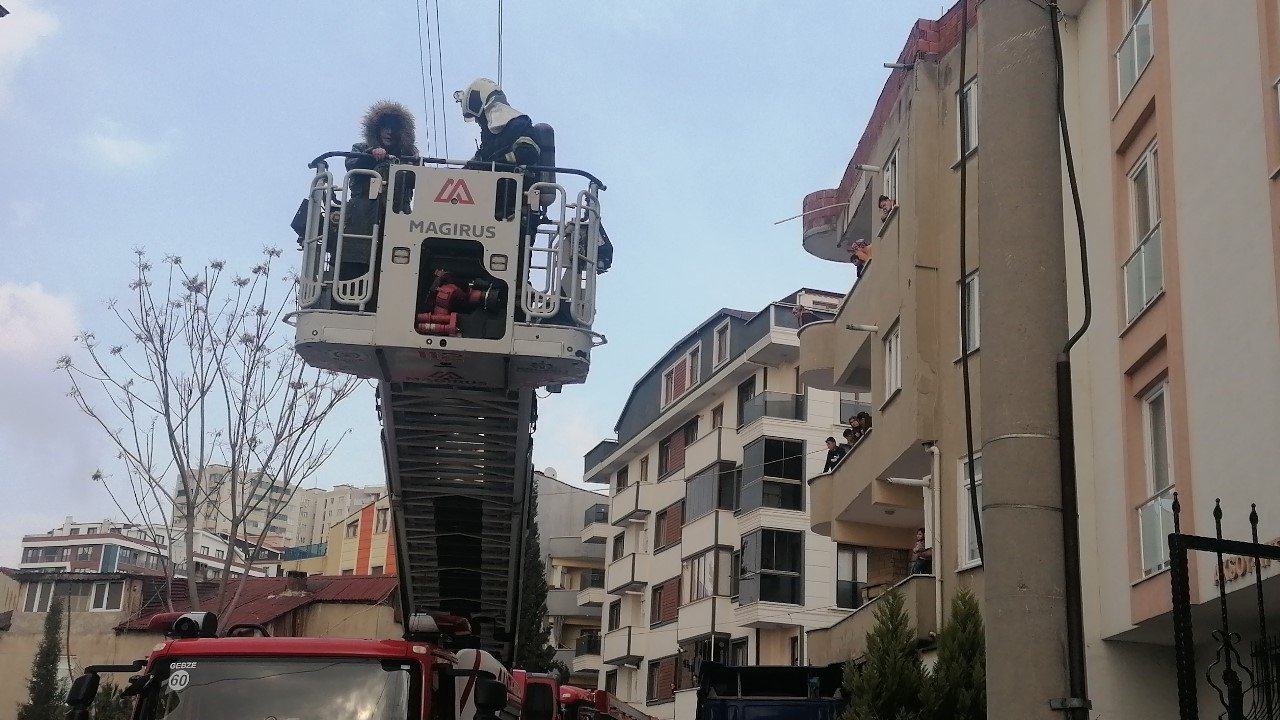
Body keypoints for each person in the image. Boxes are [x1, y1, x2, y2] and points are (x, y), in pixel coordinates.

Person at [335, 101, 419, 308]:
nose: (389, 132)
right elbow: (351, 165)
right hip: (361, 221)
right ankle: (349, 304)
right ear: (377, 129)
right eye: (385, 127)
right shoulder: (361, 149)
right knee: (354, 261)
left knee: (395, 265)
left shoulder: (409, 155)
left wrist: (413, 162)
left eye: (394, 128)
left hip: (397, 218)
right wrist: (371, 155)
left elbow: (420, 181)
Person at [455, 78, 541, 168]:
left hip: (512, 180)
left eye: (478, 117)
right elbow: (478, 161)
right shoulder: (488, 138)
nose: (477, 121)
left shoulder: (519, 124)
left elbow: (529, 153)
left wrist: (500, 161)